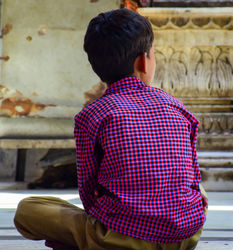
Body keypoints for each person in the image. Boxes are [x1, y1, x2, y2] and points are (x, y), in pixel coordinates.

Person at [14, 8, 208, 250]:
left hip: (118, 237)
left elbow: (87, 194)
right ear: (143, 62)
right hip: (186, 235)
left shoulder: (92, 115)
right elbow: (193, 177)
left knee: (28, 209)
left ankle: (88, 242)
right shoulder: (177, 107)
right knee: (195, 185)